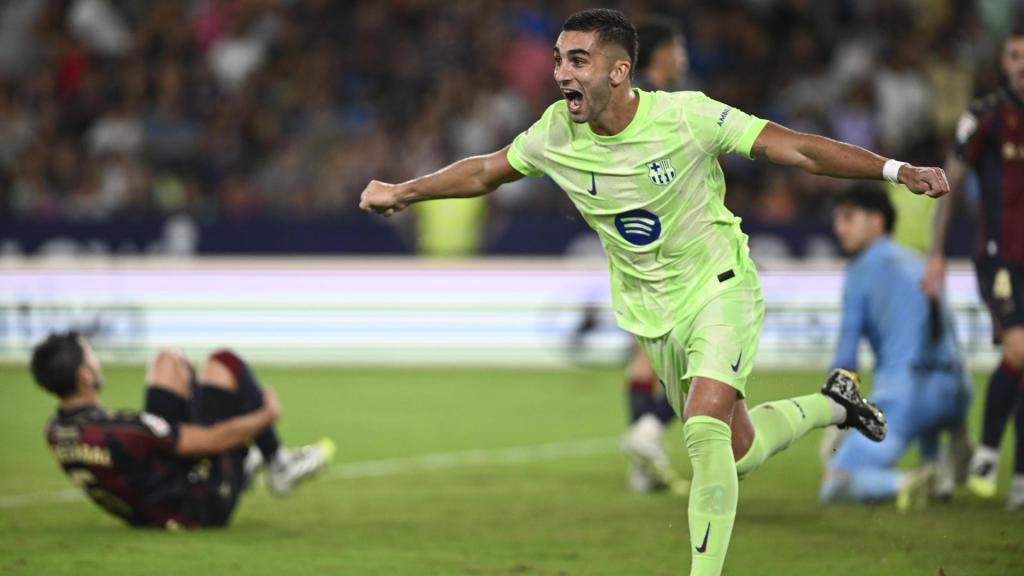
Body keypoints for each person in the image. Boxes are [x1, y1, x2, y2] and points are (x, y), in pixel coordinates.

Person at [359, 9, 948, 575]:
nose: (562, 72)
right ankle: (834, 405)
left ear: (619, 71)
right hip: (653, 317)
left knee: (702, 429)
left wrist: (895, 171)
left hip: (722, 286)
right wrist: (406, 191)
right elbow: (487, 170)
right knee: (735, 454)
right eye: (560, 59)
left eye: (579, 60)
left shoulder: (688, 117)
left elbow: (793, 147)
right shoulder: (555, 132)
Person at [30, 331, 335, 529]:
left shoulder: (56, 430)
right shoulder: (125, 431)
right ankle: (275, 461)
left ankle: (254, 461)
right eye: (92, 355)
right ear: (85, 376)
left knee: (168, 360)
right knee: (223, 362)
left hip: (152, 503)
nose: (98, 361)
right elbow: (214, 440)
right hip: (200, 505)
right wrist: (267, 415)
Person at [821, 185, 971, 510]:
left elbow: (847, 357)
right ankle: (940, 460)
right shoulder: (918, 262)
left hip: (908, 396)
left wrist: (835, 416)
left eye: (848, 218)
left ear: (877, 222)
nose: (839, 228)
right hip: (956, 389)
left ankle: (908, 483)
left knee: (835, 482)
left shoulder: (860, 270)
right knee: (932, 416)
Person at [923, 33, 1024, 511]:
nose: (1022, 64)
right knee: (1020, 350)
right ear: (1002, 63)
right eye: (1015, 55)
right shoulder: (984, 115)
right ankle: (987, 446)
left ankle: (1019, 475)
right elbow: (951, 179)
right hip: (999, 255)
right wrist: (936, 252)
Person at [620, 15, 689, 494]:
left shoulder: (619, 104)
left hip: (634, 245)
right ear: (663, 53)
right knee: (703, 362)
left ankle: (641, 466)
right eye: (679, 48)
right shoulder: (660, 107)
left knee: (644, 360)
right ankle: (646, 433)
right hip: (673, 248)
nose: (684, 58)